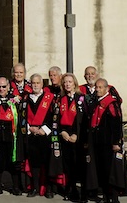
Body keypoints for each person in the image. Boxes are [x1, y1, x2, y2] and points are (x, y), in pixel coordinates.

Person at [87, 78, 127, 203]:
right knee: (102, 170)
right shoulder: (96, 102)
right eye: (96, 87)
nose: (97, 89)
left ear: (106, 89)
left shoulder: (112, 104)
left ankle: (114, 197)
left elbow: (116, 124)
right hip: (98, 143)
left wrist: (116, 142)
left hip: (109, 143)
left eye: (100, 87)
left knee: (111, 171)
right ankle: (105, 195)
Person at [23, 74, 58, 198]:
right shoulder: (26, 99)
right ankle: (35, 187)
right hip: (31, 135)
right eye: (33, 83)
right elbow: (22, 116)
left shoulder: (50, 98)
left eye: (38, 83)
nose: (35, 85)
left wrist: (44, 129)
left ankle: (48, 188)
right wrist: (29, 128)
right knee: (34, 164)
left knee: (47, 163)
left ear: (42, 84)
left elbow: (54, 116)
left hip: (45, 136)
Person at [56, 74, 85, 202]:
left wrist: (77, 134)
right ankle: (70, 190)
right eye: (65, 82)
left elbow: (84, 120)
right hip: (65, 136)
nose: (67, 84)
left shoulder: (81, 99)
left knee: (79, 165)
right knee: (67, 166)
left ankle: (81, 193)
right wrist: (62, 132)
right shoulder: (60, 99)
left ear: (74, 84)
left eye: (70, 82)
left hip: (77, 137)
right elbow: (56, 118)